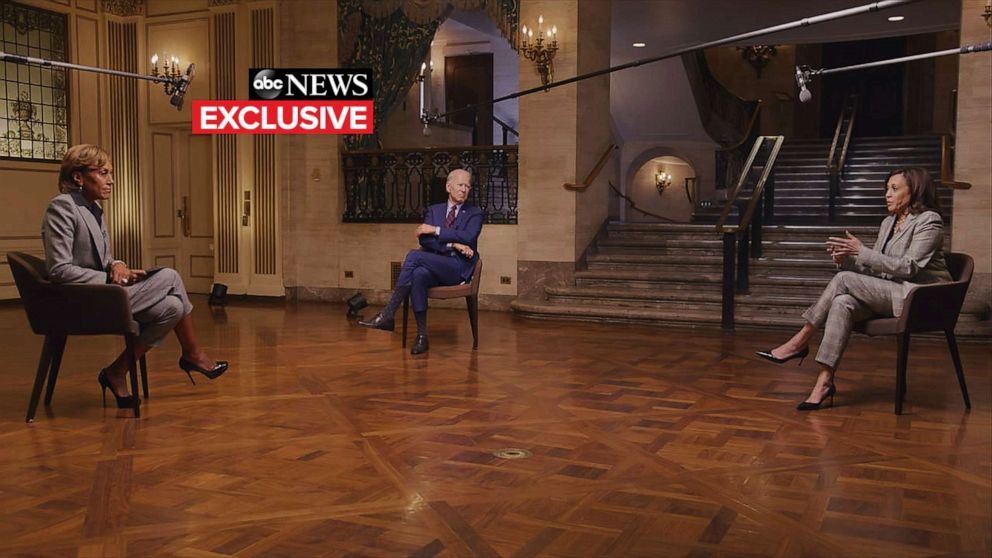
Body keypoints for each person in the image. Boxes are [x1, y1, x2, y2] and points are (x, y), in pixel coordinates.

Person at [42, 144, 228, 411]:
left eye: (111, 173)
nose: (111, 180)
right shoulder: (62, 208)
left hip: (101, 296)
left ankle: (117, 371)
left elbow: (100, 259)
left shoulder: (93, 209)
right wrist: (108, 277)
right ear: (78, 177)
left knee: (173, 308)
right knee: (171, 276)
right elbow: (59, 270)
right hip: (80, 303)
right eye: (103, 172)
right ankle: (192, 354)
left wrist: (117, 264)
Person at [756, 167, 951, 410]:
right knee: (842, 302)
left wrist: (861, 252)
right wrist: (846, 259)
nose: (887, 194)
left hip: (921, 299)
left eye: (894, 189)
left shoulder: (929, 221)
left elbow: (908, 267)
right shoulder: (888, 222)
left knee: (844, 280)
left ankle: (800, 341)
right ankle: (824, 381)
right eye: (886, 189)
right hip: (892, 293)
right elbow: (880, 271)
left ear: (915, 191)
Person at [359, 169, 483, 354]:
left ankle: (388, 314)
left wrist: (436, 230)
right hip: (434, 265)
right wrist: (453, 244)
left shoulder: (475, 213)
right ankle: (422, 336)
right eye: (460, 185)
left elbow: (468, 236)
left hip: (456, 268)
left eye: (468, 186)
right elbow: (424, 240)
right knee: (418, 274)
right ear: (448, 187)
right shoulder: (434, 210)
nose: (464, 189)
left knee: (414, 256)